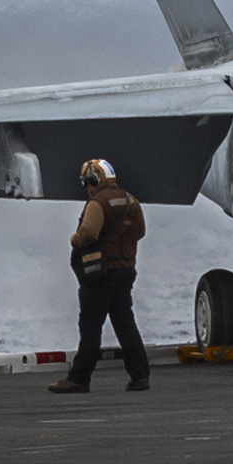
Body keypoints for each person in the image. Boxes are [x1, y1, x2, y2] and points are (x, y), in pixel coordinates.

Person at [49, 159, 151, 394]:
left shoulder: (97, 203)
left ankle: (79, 379)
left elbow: (88, 234)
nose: (87, 186)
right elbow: (141, 232)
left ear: (94, 180)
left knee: (90, 327)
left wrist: (74, 239)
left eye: (88, 182)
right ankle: (139, 376)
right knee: (126, 326)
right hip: (126, 272)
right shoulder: (130, 199)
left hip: (100, 275)